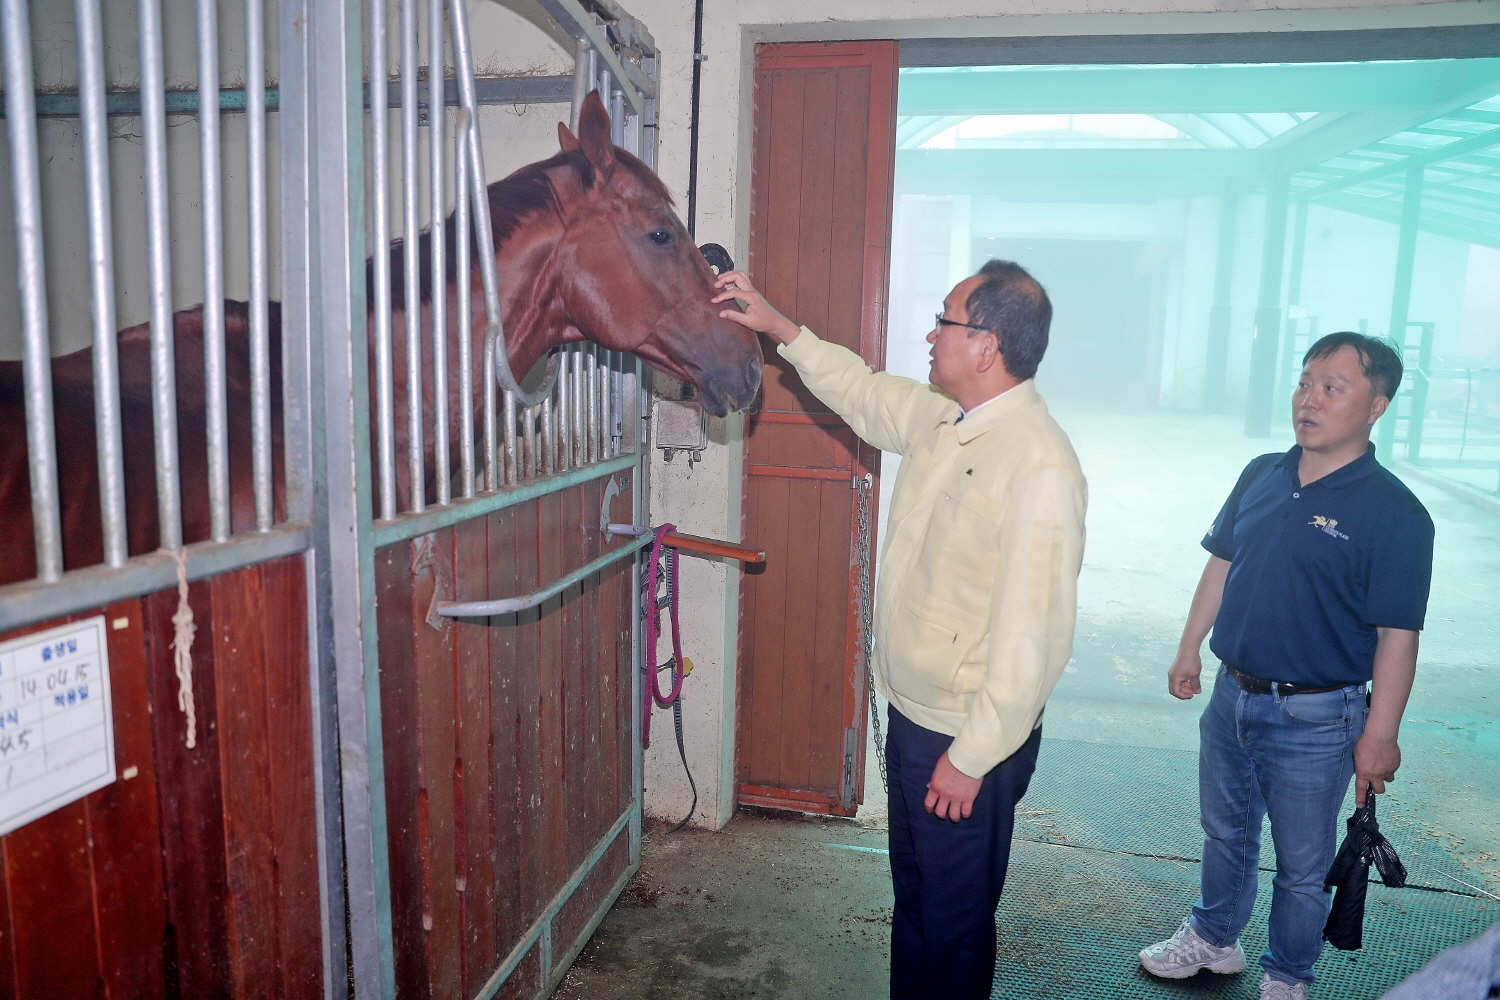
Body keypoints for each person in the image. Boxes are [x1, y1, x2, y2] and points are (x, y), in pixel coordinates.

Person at [713, 261, 1087, 999]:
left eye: (944, 319)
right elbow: (861, 389)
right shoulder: (948, 420)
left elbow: (1032, 637)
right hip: (917, 718)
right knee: (917, 906)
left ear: (986, 344)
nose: (929, 332)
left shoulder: (1039, 464)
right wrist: (778, 326)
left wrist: (973, 757)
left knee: (953, 922)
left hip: (965, 735)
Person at [1138, 333, 1435, 1000]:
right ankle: (1214, 939)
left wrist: (1379, 735)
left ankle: (1287, 977)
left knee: (1302, 867)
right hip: (1231, 696)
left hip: (1318, 715)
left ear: (1376, 406)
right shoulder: (1262, 472)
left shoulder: (1397, 515)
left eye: (1333, 386)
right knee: (1225, 833)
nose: (1309, 398)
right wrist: (1191, 646)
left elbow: (1397, 635)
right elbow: (1222, 563)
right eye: (1305, 382)